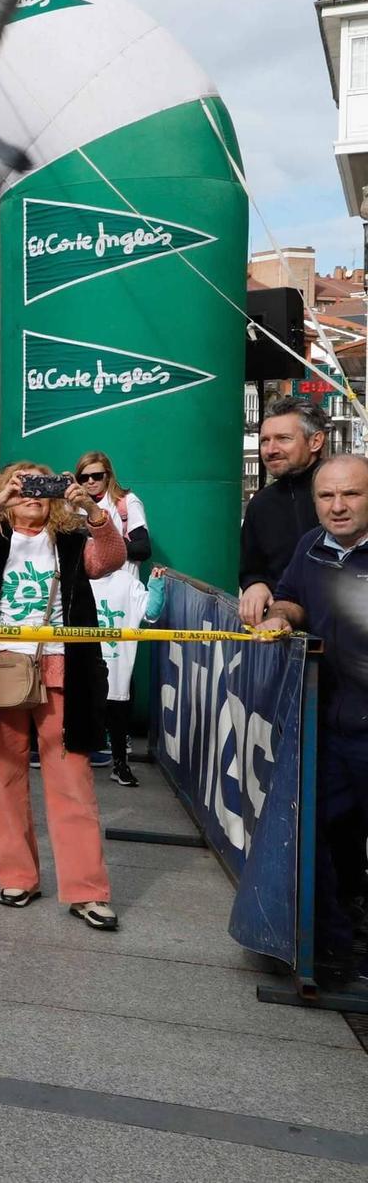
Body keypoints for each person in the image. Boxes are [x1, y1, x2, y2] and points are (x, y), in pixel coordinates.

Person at [0, 463, 126, 930]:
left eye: (40, 484)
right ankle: (17, 876)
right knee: (6, 776)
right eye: (22, 483)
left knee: (73, 780)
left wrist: (90, 507)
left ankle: (87, 889)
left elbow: (110, 559)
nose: (32, 492)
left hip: (62, 669)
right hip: (0, 669)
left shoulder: (69, 541)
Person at [254, 454, 368, 992]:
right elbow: (293, 597)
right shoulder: (311, 546)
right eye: (327, 497)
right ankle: (332, 952)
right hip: (333, 723)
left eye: (351, 495)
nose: (338, 507)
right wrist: (280, 614)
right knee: (312, 833)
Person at [75, 449, 150, 785]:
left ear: (109, 475)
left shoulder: (125, 502)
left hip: (120, 594)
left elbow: (142, 548)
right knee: (84, 669)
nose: (91, 482)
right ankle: (88, 740)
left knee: (121, 671)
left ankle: (120, 750)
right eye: (84, 476)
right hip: (87, 592)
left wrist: (103, 540)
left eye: (97, 475)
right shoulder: (72, 503)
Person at [239, 398, 326, 628]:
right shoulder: (260, 504)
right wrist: (255, 584)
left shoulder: (350, 491)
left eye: (283, 439)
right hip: (285, 639)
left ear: (315, 441)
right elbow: (251, 568)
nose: (270, 450)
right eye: (264, 441)